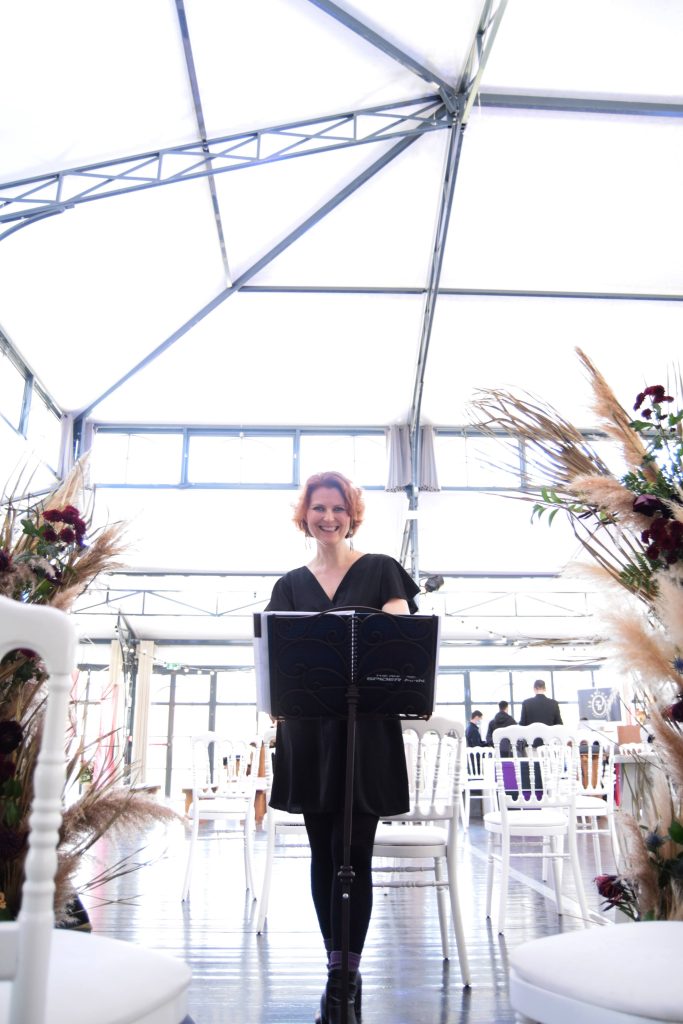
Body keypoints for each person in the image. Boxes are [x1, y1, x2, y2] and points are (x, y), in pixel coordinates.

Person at [265, 471, 419, 1024]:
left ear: (352, 513)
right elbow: (276, 664)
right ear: (304, 516)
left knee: (355, 854)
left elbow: (401, 645)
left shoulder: (381, 570)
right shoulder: (287, 586)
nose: (327, 518)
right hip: (309, 735)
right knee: (322, 854)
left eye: (336, 508)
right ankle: (336, 972)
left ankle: (347, 979)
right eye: (317, 509)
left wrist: (386, 631)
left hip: (366, 735)